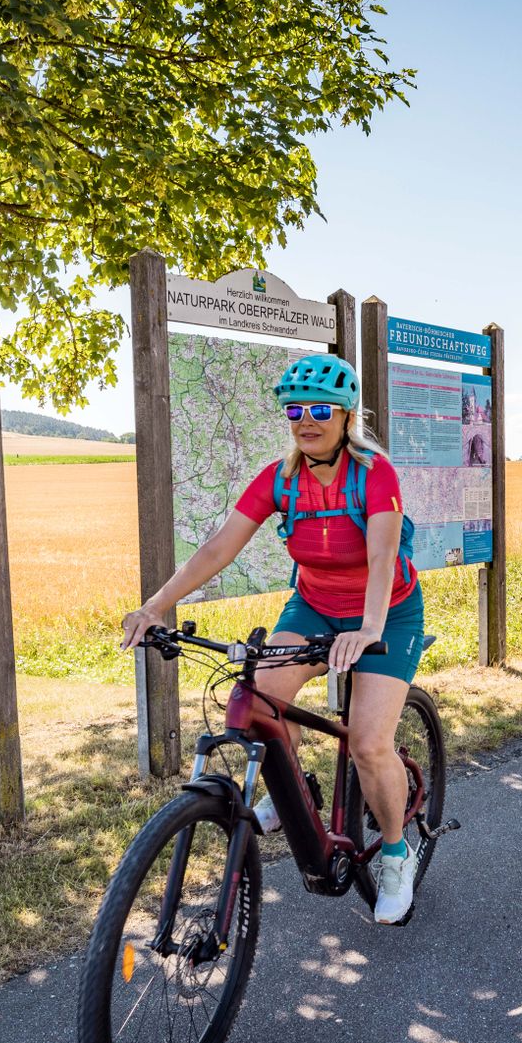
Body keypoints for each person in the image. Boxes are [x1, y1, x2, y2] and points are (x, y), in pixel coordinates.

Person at [120, 354, 427, 924]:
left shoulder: (374, 473)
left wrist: (368, 631)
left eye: (319, 410)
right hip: (313, 605)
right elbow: (218, 548)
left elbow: (383, 555)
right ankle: (296, 794)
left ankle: (393, 852)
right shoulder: (280, 477)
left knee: (366, 742)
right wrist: (156, 605)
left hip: (387, 612)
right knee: (259, 698)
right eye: (294, 410)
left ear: (345, 415)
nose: (306, 421)